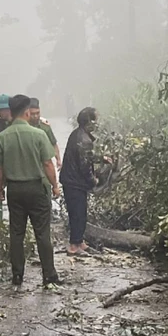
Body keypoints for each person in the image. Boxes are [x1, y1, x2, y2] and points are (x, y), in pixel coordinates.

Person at [0, 94, 62, 287]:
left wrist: (0, 189)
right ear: (26, 112)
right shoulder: (39, 135)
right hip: (37, 189)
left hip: (15, 189)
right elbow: (48, 163)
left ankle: (17, 275)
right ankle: (49, 274)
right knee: (42, 232)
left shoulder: (2, 137)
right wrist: (55, 185)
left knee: (16, 233)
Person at [60, 107, 103, 256]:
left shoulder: (78, 134)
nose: (97, 124)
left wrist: (102, 158)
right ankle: (74, 245)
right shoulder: (84, 140)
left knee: (79, 212)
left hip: (70, 180)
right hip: (75, 182)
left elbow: (86, 156)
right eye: (95, 120)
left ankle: (79, 241)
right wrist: (93, 181)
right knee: (78, 213)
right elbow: (85, 165)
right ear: (89, 122)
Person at [29, 98, 62, 171]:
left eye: (37, 113)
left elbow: (54, 144)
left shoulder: (45, 127)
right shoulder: (24, 127)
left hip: (43, 164)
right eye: (32, 114)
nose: (35, 116)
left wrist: (58, 160)